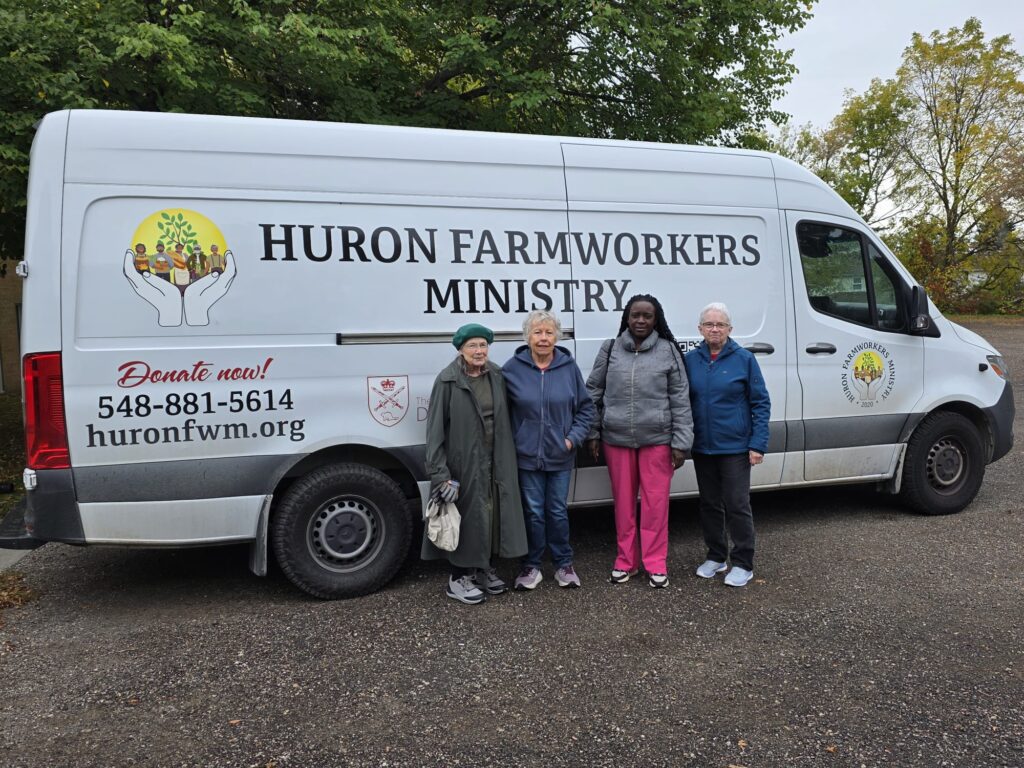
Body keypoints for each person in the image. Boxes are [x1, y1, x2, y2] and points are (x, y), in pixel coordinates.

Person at [586, 294, 693, 588]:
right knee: (623, 506)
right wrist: (593, 432)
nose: (641, 320)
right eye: (636, 315)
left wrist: (681, 442)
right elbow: (593, 393)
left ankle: (655, 563)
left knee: (655, 506)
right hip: (616, 439)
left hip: (657, 440)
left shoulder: (668, 351)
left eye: (647, 315)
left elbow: (681, 398)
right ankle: (626, 561)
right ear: (627, 318)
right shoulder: (610, 349)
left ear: (656, 319)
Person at [423, 323, 528, 605]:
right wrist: (440, 474)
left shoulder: (496, 374)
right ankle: (458, 578)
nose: (479, 351)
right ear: (461, 349)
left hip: (496, 460)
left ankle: (483, 569)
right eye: (472, 346)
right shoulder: (447, 380)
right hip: (464, 463)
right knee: (468, 518)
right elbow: (434, 431)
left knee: (492, 515)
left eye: (483, 345)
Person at [502, 310, 595, 590]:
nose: (543, 338)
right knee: (533, 512)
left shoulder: (568, 368)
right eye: (537, 332)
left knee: (557, 511)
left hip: (560, 455)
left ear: (557, 337)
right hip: (526, 457)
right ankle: (531, 566)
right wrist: (514, 442)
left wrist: (571, 440)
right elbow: (501, 411)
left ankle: (563, 564)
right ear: (527, 336)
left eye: (549, 332)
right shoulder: (512, 369)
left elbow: (586, 409)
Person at [684, 302, 770, 588]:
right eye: (709, 324)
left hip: (735, 447)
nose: (715, 329)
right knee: (709, 504)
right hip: (703, 446)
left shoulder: (744, 359)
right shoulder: (691, 360)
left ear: (730, 329)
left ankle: (743, 563)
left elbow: (760, 403)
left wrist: (758, 444)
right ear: (700, 329)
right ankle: (716, 556)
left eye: (720, 324)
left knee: (736, 504)